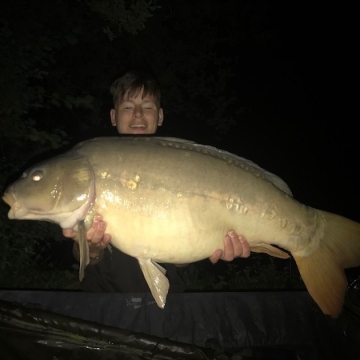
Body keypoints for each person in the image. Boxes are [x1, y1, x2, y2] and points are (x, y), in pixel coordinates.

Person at [62, 70, 250, 293]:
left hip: (169, 300)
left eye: (148, 107)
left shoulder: (182, 165)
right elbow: (85, 257)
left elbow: (181, 259)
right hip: (104, 297)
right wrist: (91, 248)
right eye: (128, 107)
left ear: (160, 116)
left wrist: (214, 242)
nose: (138, 115)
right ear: (113, 116)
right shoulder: (93, 165)